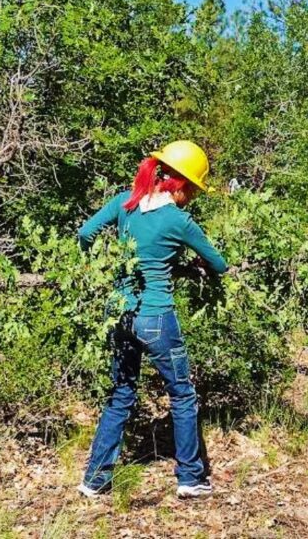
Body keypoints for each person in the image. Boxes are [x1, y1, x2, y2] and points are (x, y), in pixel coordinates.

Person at [77, 140, 228, 499]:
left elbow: (85, 233)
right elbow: (220, 265)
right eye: (193, 190)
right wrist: (195, 267)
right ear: (181, 184)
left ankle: (95, 479)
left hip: (121, 314)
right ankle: (190, 477)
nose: (192, 198)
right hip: (157, 316)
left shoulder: (126, 202)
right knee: (182, 395)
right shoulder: (179, 220)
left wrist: (96, 269)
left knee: (120, 395)